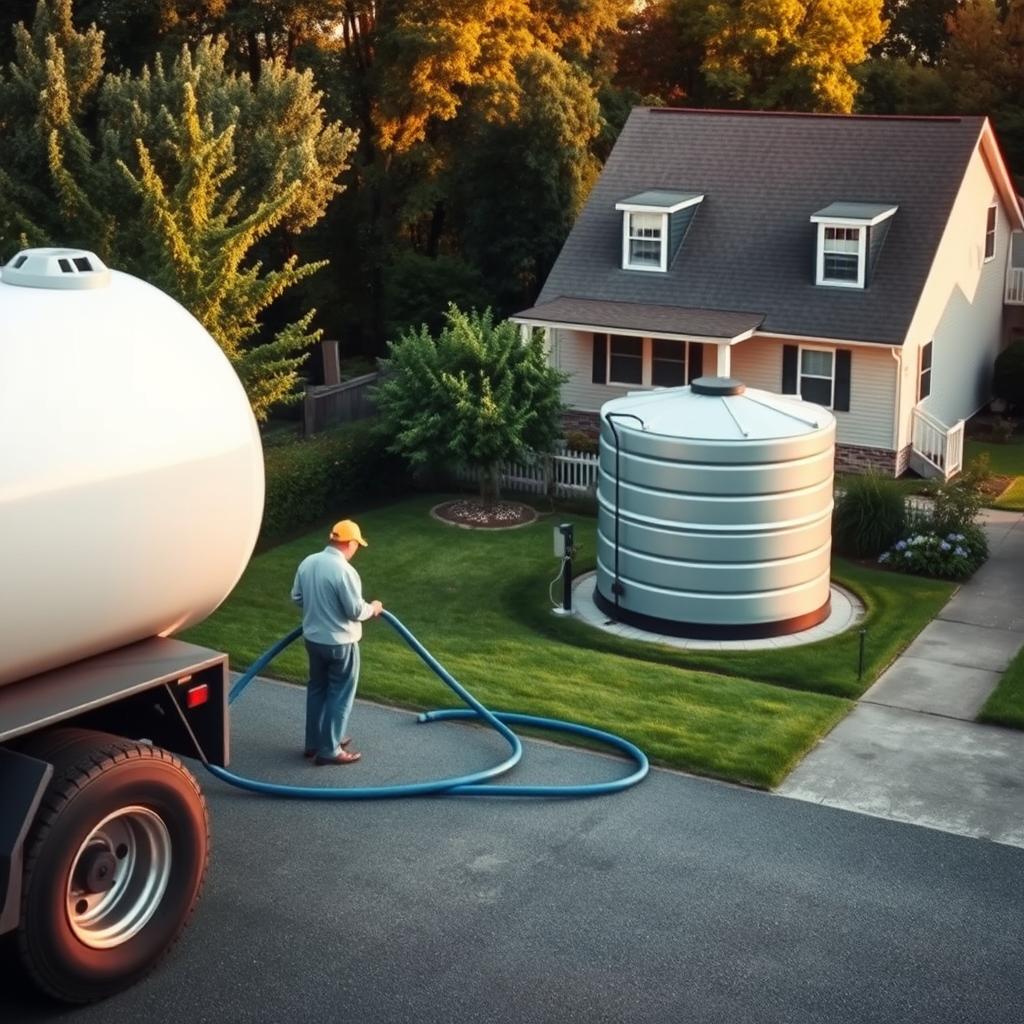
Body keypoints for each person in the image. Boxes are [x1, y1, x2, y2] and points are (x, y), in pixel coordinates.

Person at [291, 519, 383, 766]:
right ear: (350, 543)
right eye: (357, 545)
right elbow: (354, 610)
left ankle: (314, 743)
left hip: (313, 640)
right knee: (340, 694)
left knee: (317, 690)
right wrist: (373, 608)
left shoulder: (308, 562)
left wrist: (318, 607)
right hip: (341, 643)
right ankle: (330, 749)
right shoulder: (344, 571)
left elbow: (297, 597)